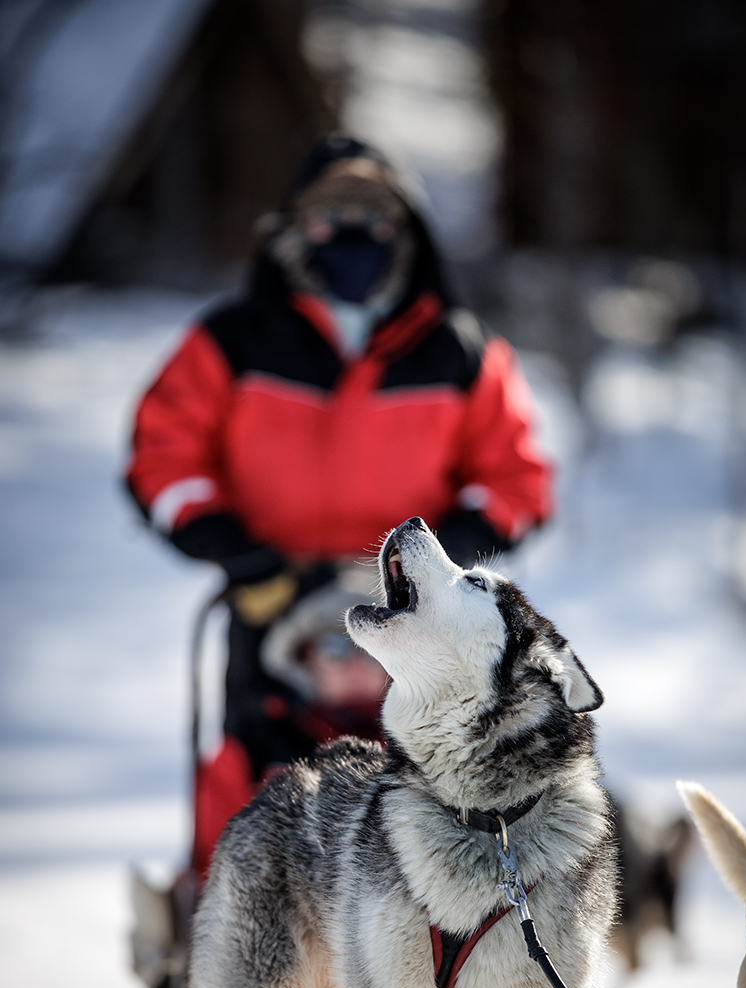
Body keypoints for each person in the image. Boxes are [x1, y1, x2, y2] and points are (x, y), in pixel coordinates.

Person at [125, 130, 555, 881]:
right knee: (250, 798)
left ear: (405, 229)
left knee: (424, 807)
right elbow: (162, 456)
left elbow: (518, 478)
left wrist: (441, 564)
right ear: (297, 228)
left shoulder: (460, 352)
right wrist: (238, 552)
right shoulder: (233, 340)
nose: (352, 234)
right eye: (331, 215)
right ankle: (217, 936)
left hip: (414, 620)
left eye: (374, 215)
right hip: (271, 602)